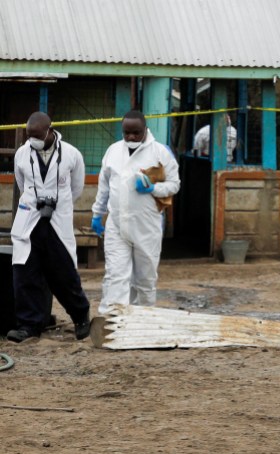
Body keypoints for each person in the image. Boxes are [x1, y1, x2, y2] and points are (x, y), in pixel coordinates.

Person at [6, 112, 91, 342]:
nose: (32, 139)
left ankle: (81, 316)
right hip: (29, 219)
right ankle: (29, 324)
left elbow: (76, 188)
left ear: (50, 130)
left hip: (57, 220)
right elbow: (22, 184)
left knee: (63, 273)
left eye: (37, 135)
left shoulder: (71, 154)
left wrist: (58, 203)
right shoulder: (22, 154)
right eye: (29, 135)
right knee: (25, 272)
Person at [92, 110, 181, 314]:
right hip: (117, 224)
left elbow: (174, 184)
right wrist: (97, 213)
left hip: (146, 225)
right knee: (116, 274)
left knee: (145, 278)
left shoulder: (160, 152)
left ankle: (144, 318)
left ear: (145, 130)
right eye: (126, 133)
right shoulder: (113, 151)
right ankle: (113, 319)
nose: (131, 137)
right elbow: (104, 185)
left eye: (136, 132)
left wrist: (153, 189)